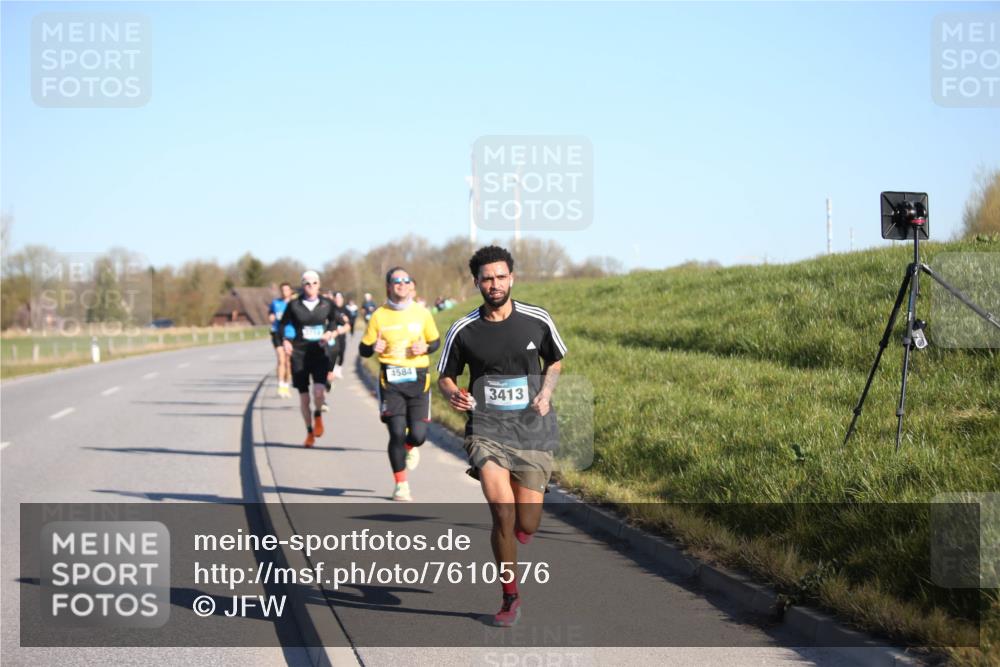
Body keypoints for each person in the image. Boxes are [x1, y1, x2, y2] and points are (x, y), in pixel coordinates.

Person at [437, 245, 566, 627]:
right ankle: (510, 596)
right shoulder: (463, 329)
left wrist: (546, 391)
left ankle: (520, 526)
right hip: (487, 430)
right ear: (476, 282)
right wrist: (452, 394)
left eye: (500, 276)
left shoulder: (537, 319)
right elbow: (445, 376)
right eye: (486, 278)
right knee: (502, 514)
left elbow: (555, 359)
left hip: (531, 431)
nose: (494, 284)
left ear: (511, 277)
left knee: (527, 523)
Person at [359, 267, 441, 501]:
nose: (402, 284)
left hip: (419, 380)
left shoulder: (422, 313)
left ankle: (409, 447)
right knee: (396, 432)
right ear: (389, 286)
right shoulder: (379, 315)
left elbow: (434, 341)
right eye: (397, 281)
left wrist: (425, 347)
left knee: (418, 435)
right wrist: (373, 347)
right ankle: (401, 485)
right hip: (391, 379)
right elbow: (363, 349)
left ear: (411, 286)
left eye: (406, 281)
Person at [280, 271, 340, 447]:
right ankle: (309, 432)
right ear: (302, 285)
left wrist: (329, 332)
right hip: (299, 353)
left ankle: (318, 415)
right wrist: (286, 340)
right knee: (305, 398)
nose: (311, 286)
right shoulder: (293, 305)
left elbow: (334, 321)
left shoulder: (326, 304)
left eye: (314, 283)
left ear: (319, 285)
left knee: (319, 392)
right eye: (307, 283)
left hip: (319, 352)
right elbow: (283, 324)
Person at [267, 282, 296, 397]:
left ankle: (286, 385)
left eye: (286, 290)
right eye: (282, 290)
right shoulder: (276, 303)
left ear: (290, 291)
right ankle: (280, 385)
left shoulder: (295, 304)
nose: (284, 292)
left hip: (290, 334)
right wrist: (271, 317)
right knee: (281, 359)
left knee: (288, 362)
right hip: (277, 333)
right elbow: (270, 313)